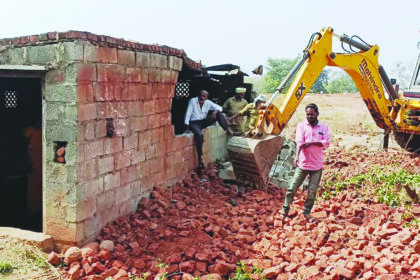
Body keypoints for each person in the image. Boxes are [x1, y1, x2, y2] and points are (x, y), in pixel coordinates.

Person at [281, 103, 331, 222]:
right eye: (308, 114)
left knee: (312, 192)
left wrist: (311, 143)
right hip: (303, 164)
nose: (310, 117)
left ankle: (307, 212)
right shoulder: (301, 126)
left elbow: (327, 142)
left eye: (312, 114)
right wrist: (317, 142)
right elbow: (300, 142)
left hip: (316, 165)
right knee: (292, 187)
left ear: (317, 114)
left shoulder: (323, 127)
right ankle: (285, 209)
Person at [185, 90, 233, 169]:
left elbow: (219, 108)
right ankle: (200, 157)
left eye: (204, 96)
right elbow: (188, 114)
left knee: (219, 114)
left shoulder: (208, 102)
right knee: (199, 135)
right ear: (198, 96)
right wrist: (187, 127)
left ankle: (228, 131)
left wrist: (215, 112)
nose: (202, 97)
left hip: (203, 121)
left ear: (206, 97)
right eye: (201, 96)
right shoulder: (193, 101)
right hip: (194, 123)